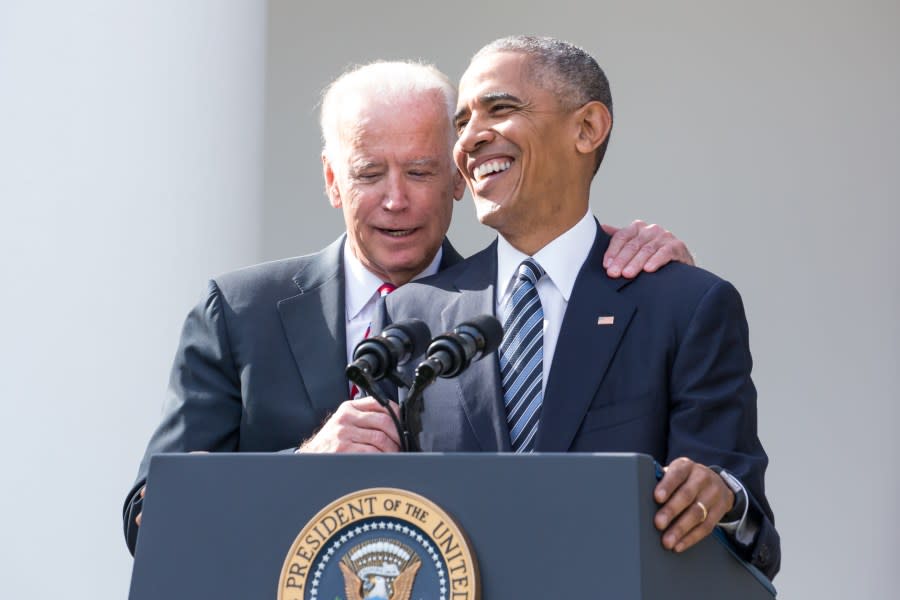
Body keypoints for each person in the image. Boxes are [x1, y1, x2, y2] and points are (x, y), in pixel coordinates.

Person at [122, 60, 694, 555]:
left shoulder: (515, 309)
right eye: (369, 173)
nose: (396, 200)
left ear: (459, 179)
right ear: (331, 178)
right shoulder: (241, 312)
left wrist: (634, 278)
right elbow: (150, 517)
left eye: (421, 172)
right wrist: (300, 464)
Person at [384, 37, 780, 579]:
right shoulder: (414, 316)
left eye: (501, 108)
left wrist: (720, 497)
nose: (471, 138)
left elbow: (749, 522)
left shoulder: (685, 306)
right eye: (462, 123)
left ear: (588, 128)